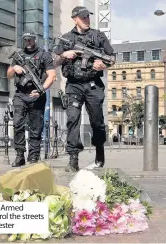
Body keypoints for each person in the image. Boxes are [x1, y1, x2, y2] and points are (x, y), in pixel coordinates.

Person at [51, 6, 115, 172]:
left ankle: (99, 152)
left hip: (93, 84)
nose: (87, 19)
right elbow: (53, 61)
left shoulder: (98, 36)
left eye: (88, 16)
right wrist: (65, 54)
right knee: (73, 119)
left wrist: (103, 65)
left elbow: (112, 58)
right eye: (83, 17)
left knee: (97, 122)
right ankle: (73, 159)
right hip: (73, 85)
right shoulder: (66, 38)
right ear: (75, 19)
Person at [7, 32, 56, 167]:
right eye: (26, 40)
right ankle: (19, 155)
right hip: (20, 94)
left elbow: (51, 75)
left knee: (36, 127)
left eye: (30, 39)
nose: (28, 41)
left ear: (35, 39)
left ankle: (33, 156)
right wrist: (14, 68)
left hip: (37, 95)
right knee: (17, 124)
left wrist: (41, 91)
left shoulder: (44, 55)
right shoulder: (19, 56)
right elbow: (9, 75)